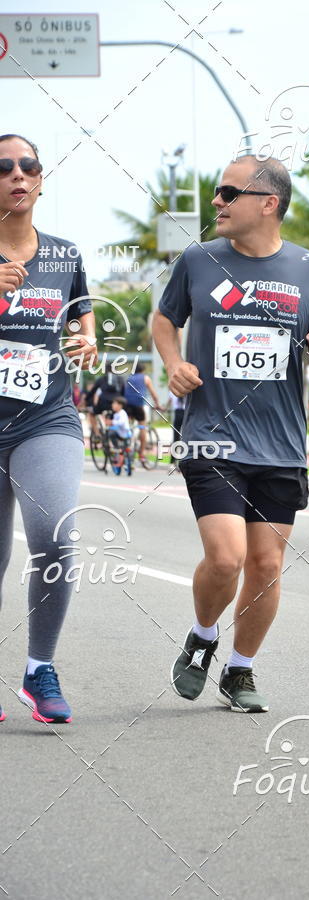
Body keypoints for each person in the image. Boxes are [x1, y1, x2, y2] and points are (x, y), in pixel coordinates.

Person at [153, 154, 309, 713]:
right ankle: (203, 635)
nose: (217, 201)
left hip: (281, 443)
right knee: (228, 558)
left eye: (228, 192)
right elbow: (166, 319)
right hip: (211, 435)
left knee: (266, 565)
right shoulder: (198, 260)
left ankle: (239, 670)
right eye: (217, 192)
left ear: (268, 203)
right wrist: (172, 363)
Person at [0, 134, 96, 724]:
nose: (17, 174)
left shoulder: (63, 255)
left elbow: (84, 313)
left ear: (41, 179)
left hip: (45, 416)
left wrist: (86, 337)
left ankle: (39, 669)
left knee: (55, 538)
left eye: (28, 165)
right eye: (4, 166)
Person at [123, 362, 160, 461]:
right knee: (142, 428)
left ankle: (126, 446)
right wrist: (157, 404)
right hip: (138, 406)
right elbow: (153, 393)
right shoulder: (145, 378)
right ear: (143, 370)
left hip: (127, 405)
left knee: (128, 427)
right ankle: (141, 454)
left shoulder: (128, 378)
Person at [169, 390, 186, 465]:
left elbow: (169, 402)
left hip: (178, 413)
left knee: (176, 438)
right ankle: (182, 460)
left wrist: (163, 408)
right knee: (185, 438)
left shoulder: (173, 391)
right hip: (186, 413)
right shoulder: (187, 391)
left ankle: (173, 461)